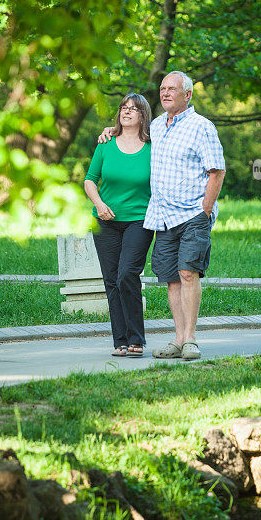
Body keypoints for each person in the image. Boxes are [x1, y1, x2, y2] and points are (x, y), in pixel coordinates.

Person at [100, 71, 226, 361]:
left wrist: (204, 212)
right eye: (162, 88)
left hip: (193, 214)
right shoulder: (156, 126)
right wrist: (111, 129)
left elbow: (216, 171)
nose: (165, 93)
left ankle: (191, 340)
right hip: (164, 217)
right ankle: (179, 339)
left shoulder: (201, 127)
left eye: (172, 89)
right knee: (171, 279)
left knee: (187, 273)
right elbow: (131, 135)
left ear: (188, 95)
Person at [84, 93, 153, 358]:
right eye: (124, 107)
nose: (127, 112)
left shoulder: (153, 145)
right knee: (111, 280)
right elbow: (90, 179)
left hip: (139, 220)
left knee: (127, 274)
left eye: (133, 109)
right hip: (105, 221)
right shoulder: (106, 143)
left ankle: (137, 338)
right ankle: (120, 341)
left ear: (143, 115)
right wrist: (99, 205)